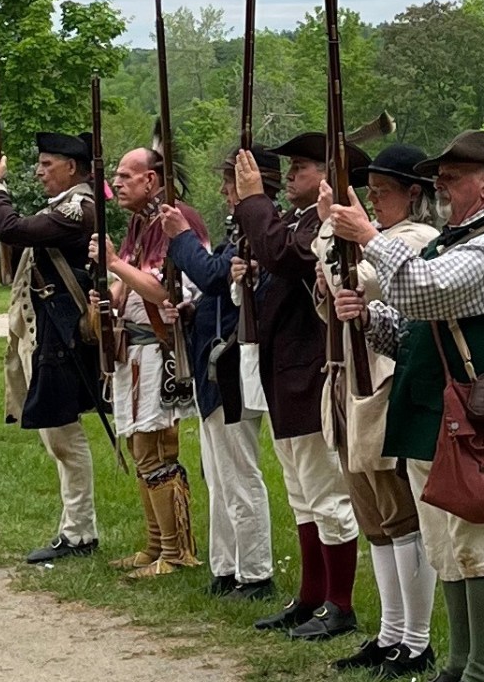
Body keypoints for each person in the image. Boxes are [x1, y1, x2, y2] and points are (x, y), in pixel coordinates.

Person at [331, 131, 484, 682]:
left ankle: (480, 681)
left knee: (475, 547)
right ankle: (455, 670)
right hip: (435, 411)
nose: (440, 186)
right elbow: (415, 336)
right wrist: (367, 318)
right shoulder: (454, 241)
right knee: (446, 547)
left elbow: (425, 291)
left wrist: (369, 238)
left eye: (452, 177)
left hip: (474, 420)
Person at [233, 133, 367, 641]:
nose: (290, 175)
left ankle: (339, 602)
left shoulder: (325, 221)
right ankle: (311, 597)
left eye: (303, 167)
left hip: (313, 371)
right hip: (285, 371)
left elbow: (284, 254)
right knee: (302, 495)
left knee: (327, 495)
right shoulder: (299, 219)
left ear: (329, 178)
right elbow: (272, 251)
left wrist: (253, 201)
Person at [314, 145, 439, 678]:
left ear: (413, 195)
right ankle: (390, 634)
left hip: (385, 386)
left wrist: (329, 229)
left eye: (381, 192)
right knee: (375, 520)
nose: (372, 201)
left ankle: (416, 640)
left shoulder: (414, 241)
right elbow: (335, 298)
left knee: (400, 516)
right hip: (352, 385)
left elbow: (358, 280)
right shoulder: (377, 240)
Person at [159, 145, 279, 601]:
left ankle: (255, 572)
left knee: (240, 476)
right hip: (219, 363)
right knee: (220, 475)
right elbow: (218, 291)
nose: (225, 193)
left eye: (232, 184)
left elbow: (212, 275)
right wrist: (191, 311)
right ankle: (228, 567)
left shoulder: (261, 231)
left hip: (234, 366)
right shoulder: (244, 232)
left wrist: (182, 236)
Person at [88, 146, 208, 579]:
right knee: (143, 448)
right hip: (136, 351)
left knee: (156, 448)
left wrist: (116, 263)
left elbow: (164, 293)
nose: (117, 184)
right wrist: (107, 291)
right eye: (116, 176)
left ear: (151, 181)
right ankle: (157, 545)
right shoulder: (139, 225)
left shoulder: (178, 221)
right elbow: (130, 289)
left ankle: (176, 552)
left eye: (125, 176)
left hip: (160, 350)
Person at [0, 131, 102, 564]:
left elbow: (12, 227)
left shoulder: (77, 208)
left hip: (60, 337)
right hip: (46, 334)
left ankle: (80, 533)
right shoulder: (65, 207)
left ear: (72, 168)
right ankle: (75, 529)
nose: (39, 170)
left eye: (47, 164)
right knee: (57, 438)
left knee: (64, 437)